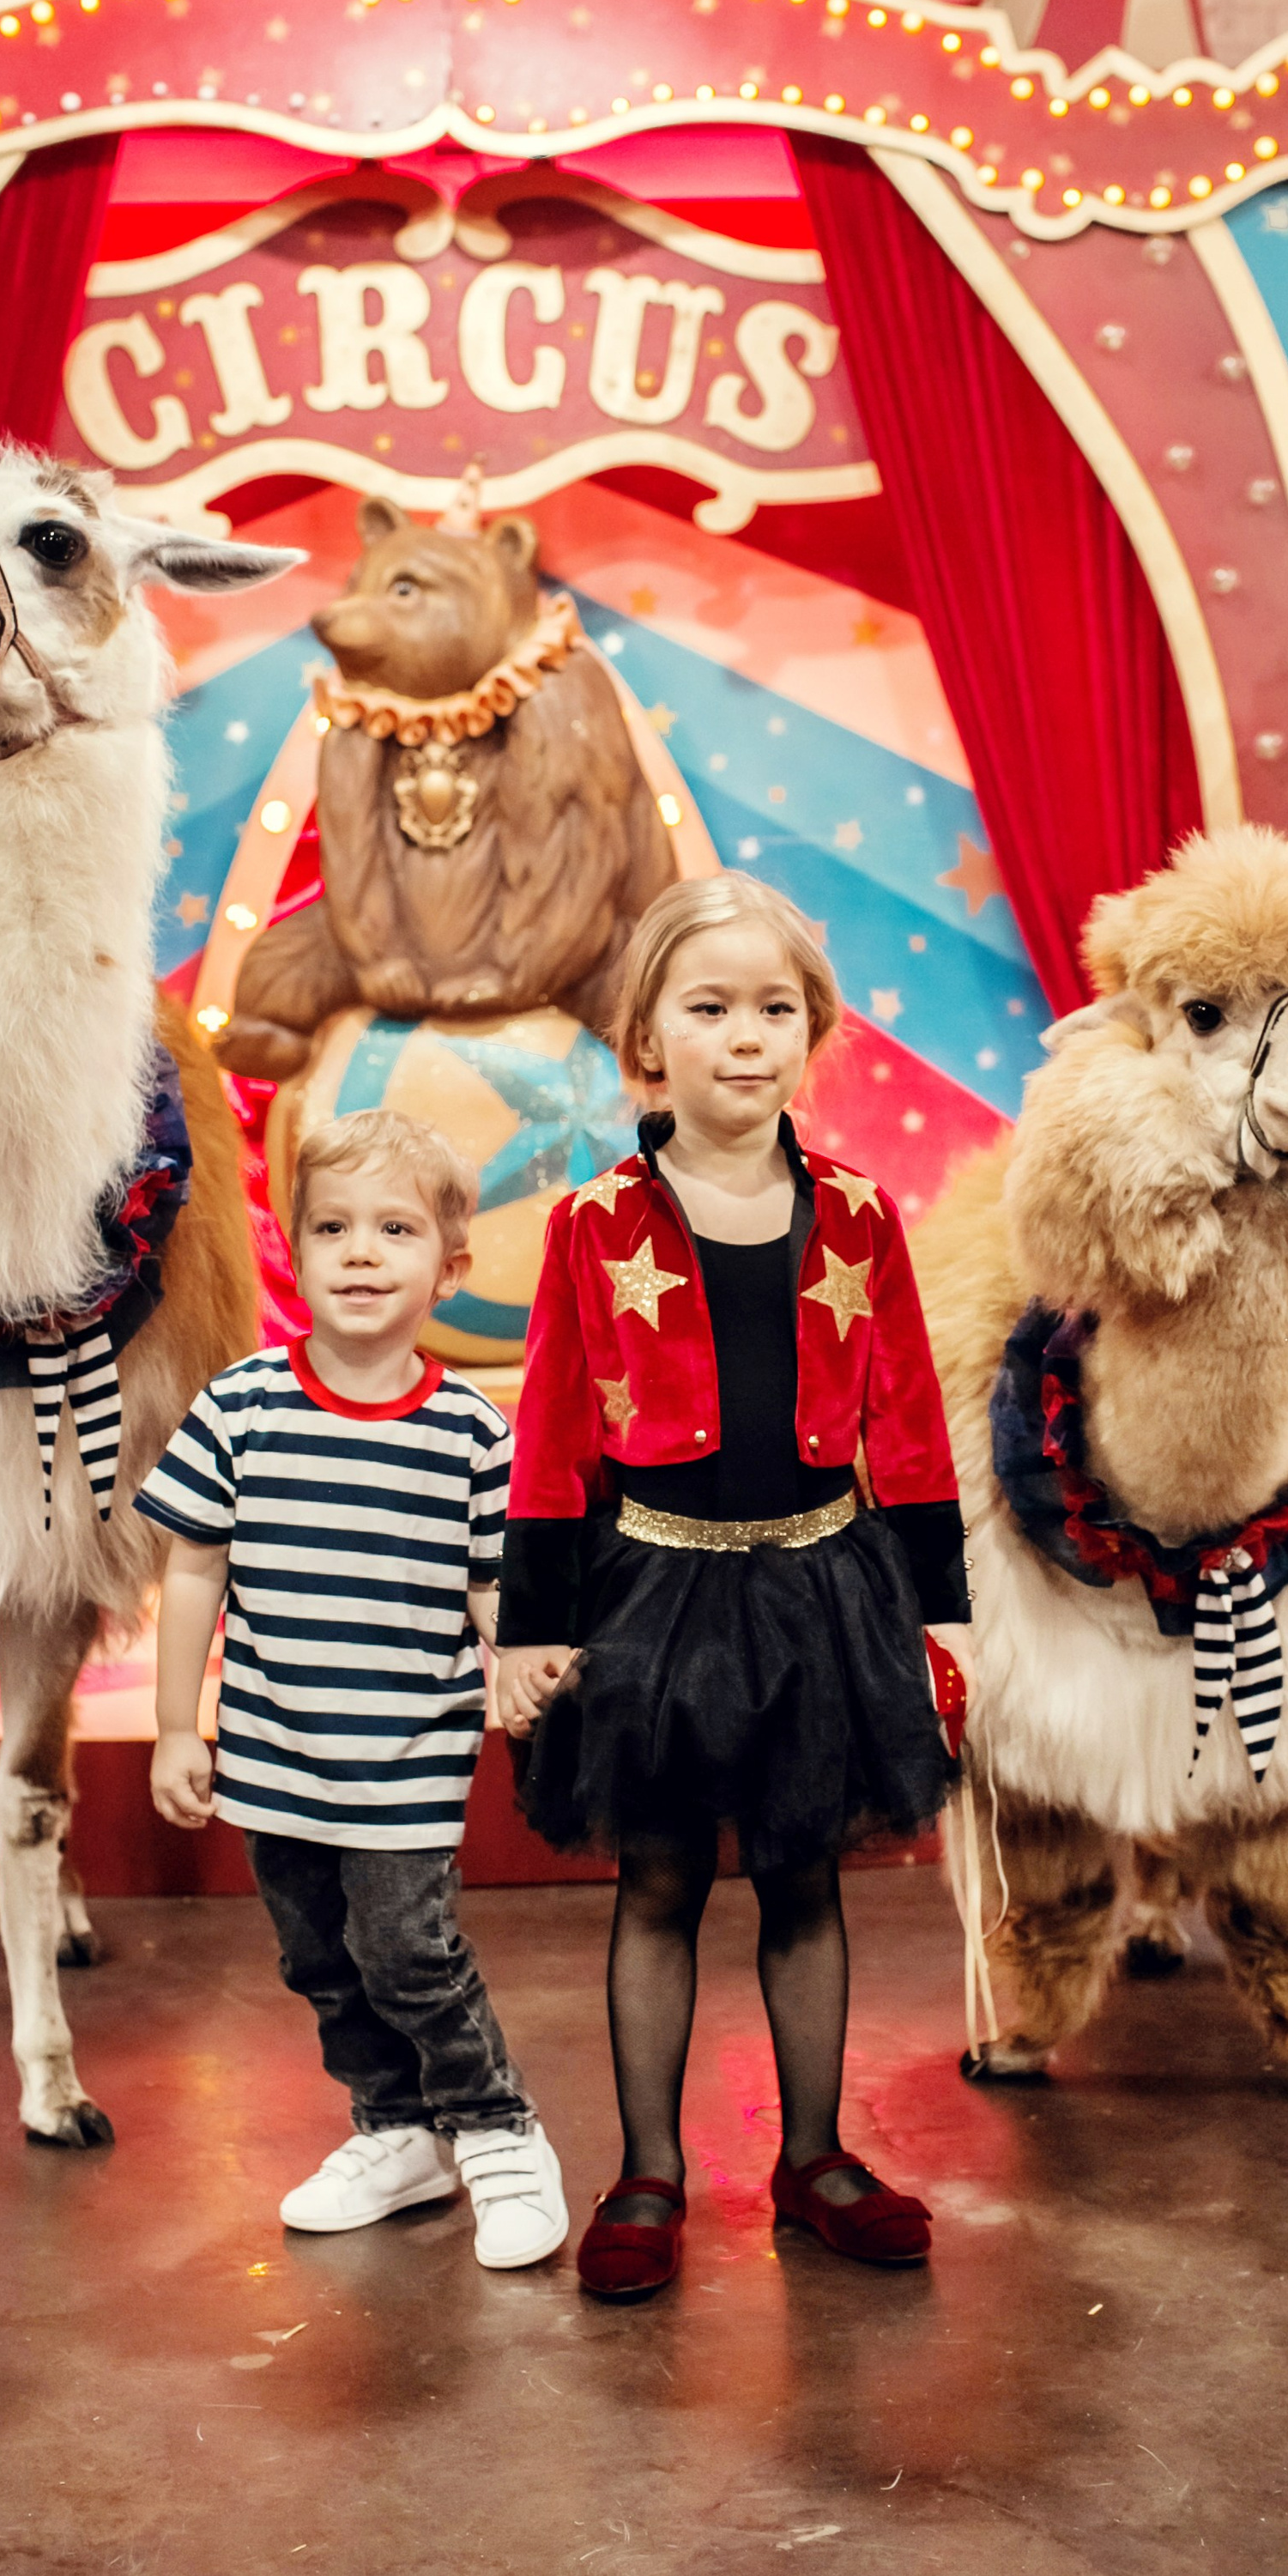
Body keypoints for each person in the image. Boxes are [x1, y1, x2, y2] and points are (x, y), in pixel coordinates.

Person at [494, 872, 972, 2300]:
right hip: (657, 1591)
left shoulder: (866, 1220)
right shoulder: (594, 1224)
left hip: (824, 1590)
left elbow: (910, 1424)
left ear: (812, 1035)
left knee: (803, 1876)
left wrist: (943, 1607)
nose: (745, 1037)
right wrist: (534, 1625)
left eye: (776, 1010)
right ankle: (648, 2169)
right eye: (710, 1009)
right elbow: (552, 1431)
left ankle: (814, 2156)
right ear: (651, 1034)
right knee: (656, 1882)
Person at [142, 1107, 568, 2271]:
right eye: (333, 1229)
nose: (363, 1253)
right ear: (296, 1251)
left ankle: (496, 2130)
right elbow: (192, 1571)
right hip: (275, 1755)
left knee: (406, 1952)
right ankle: (396, 2129)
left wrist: (514, 1668)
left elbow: (494, 1593)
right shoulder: (242, 1406)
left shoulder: (471, 1436)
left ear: (452, 1266)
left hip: (403, 1764)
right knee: (318, 1960)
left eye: (394, 1230)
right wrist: (176, 1727)